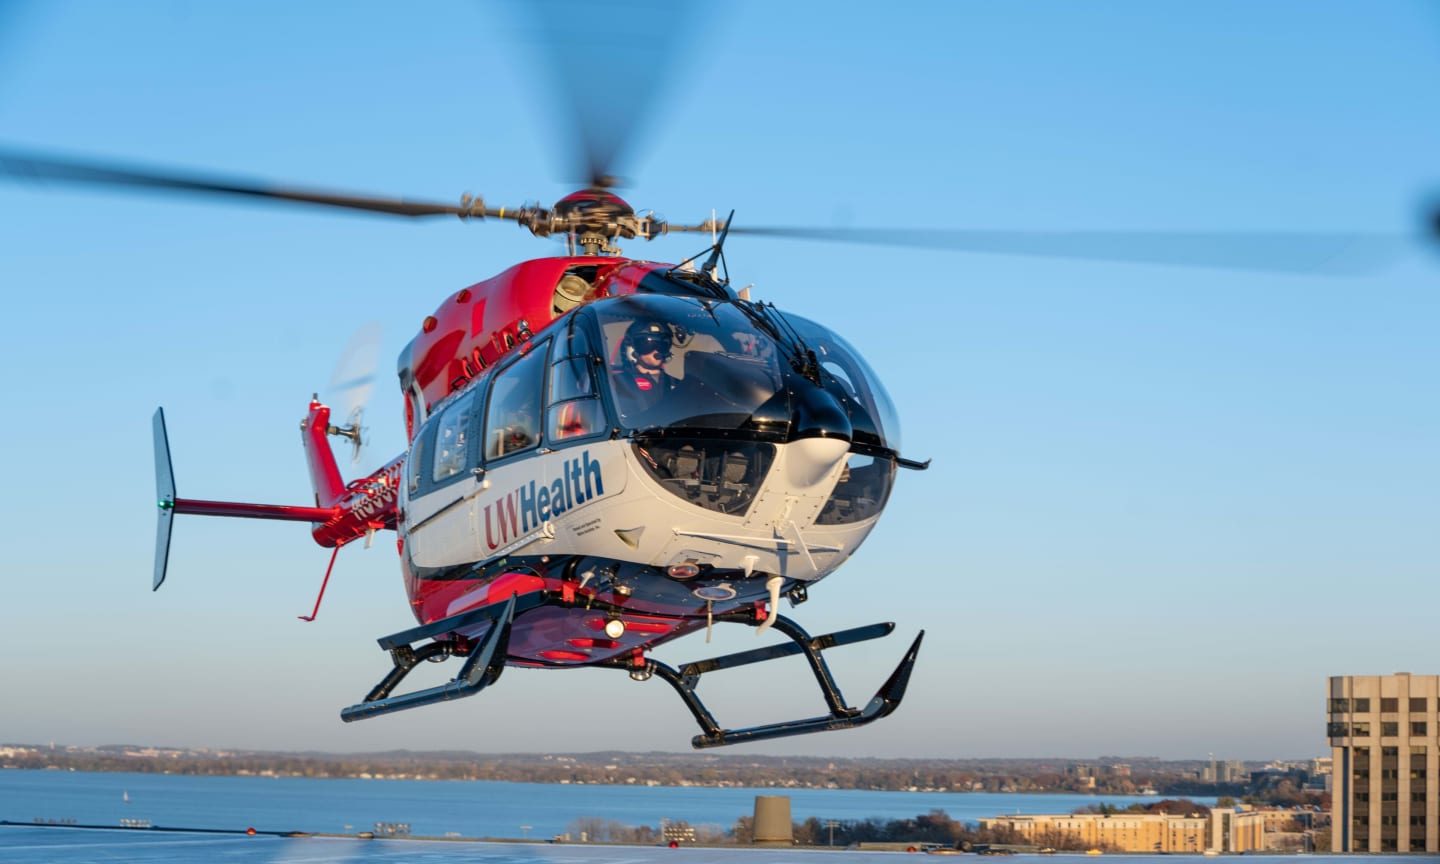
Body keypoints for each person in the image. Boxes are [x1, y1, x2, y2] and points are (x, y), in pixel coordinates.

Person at [611, 318, 679, 420]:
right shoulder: (618, 384)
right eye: (648, 345)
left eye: (662, 345)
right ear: (632, 349)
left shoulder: (678, 385)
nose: (656, 350)